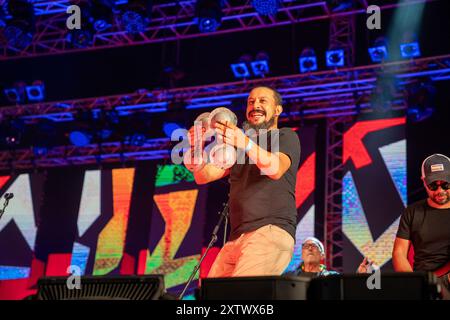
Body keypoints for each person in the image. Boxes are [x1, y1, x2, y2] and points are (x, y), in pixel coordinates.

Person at [185, 86, 301, 277]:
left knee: (240, 297)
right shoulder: (239, 149)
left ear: (278, 110)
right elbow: (202, 176)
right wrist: (195, 145)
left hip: (270, 231)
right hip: (236, 238)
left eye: (262, 101)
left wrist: (245, 143)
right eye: (251, 102)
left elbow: (275, 169)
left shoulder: (285, 136)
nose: (255, 106)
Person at [392, 154, 450, 299]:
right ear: (424, 182)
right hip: (423, 282)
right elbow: (399, 253)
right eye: (432, 186)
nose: (439, 191)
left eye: (446, 184)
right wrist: (413, 284)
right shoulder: (412, 212)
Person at [288, 237, 374, 277]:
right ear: (302, 255)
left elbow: (348, 292)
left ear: (322, 255)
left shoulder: (332, 277)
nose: (310, 248)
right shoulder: (290, 277)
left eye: (314, 246)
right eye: (306, 246)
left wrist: (359, 276)